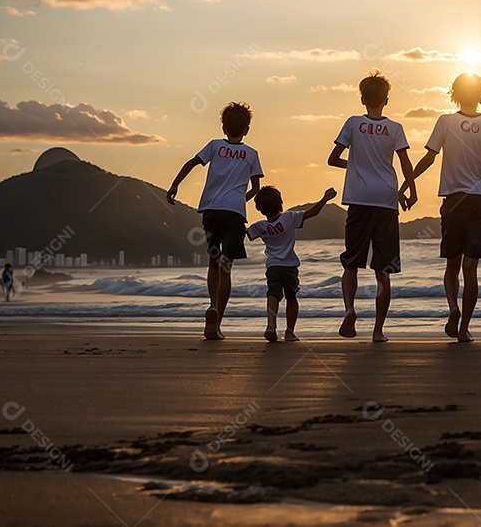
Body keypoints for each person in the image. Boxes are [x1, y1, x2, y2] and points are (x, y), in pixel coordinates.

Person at [403, 73, 481, 342]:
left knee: (452, 265)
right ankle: (464, 328)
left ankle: (453, 308)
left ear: (454, 93)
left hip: (454, 200)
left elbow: (429, 158)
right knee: (471, 268)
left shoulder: (445, 122)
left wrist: (407, 183)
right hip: (479, 198)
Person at [328, 72, 417, 343]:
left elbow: (333, 159)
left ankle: (350, 310)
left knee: (351, 263)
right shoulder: (395, 128)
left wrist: (354, 165)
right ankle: (378, 331)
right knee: (383, 269)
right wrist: (411, 190)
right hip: (386, 200)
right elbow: (404, 163)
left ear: (362, 98)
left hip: (359, 199)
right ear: (386, 100)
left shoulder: (353, 123)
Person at [168, 101, 263, 340]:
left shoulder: (214, 146)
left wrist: (175, 185)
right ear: (247, 129)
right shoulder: (251, 154)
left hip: (210, 212)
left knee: (213, 263)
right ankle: (217, 319)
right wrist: (240, 199)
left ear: (223, 127)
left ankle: (212, 304)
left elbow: (191, 162)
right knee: (226, 267)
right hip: (234, 214)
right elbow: (256, 188)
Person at [247, 185, 336, 342]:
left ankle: (270, 326)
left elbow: (244, 232)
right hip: (289, 266)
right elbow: (312, 212)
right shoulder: (289, 218)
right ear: (281, 203)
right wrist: (325, 198)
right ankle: (289, 332)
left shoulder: (260, 226)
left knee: (273, 294)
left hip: (273, 266)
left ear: (260, 209)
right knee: (291, 297)